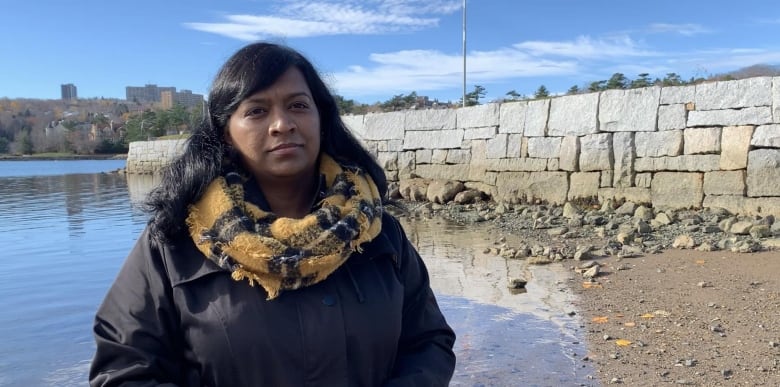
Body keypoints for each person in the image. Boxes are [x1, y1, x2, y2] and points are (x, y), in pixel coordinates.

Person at [89, 42, 456, 386]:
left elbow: (428, 342)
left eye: (298, 105)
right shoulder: (174, 242)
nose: (282, 124)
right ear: (226, 132)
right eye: (257, 111)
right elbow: (124, 367)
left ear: (321, 119)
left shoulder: (377, 231)